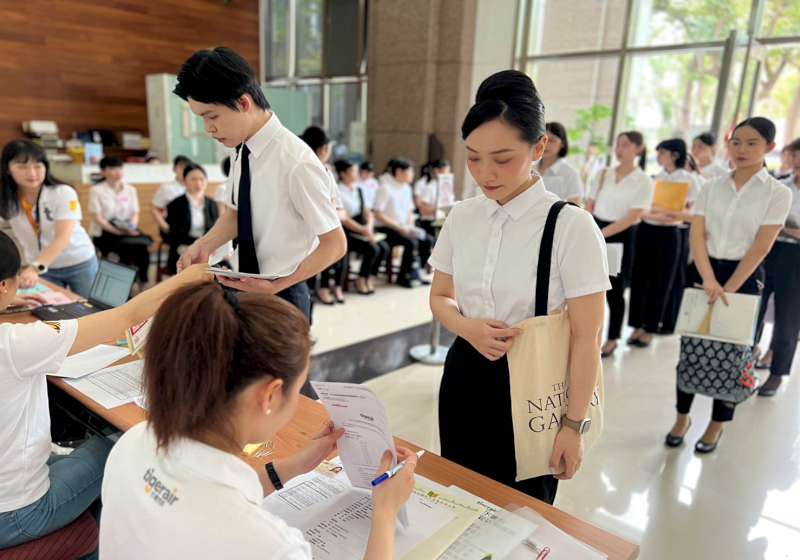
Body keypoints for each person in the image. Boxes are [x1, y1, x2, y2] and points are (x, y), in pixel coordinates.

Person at [99, 282, 418, 559]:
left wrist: (296, 464)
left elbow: (203, 497)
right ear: (270, 395)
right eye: (300, 388)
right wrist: (385, 512)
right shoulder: (267, 545)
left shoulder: (134, 441)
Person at [429, 70, 610, 504]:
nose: (485, 173)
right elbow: (439, 296)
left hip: (536, 384)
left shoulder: (572, 226)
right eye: (473, 157)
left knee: (523, 514)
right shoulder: (462, 216)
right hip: (466, 374)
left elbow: (588, 336)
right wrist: (468, 328)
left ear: (539, 147)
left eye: (503, 158)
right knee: (460, 498)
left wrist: (573, 426)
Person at [0, 230, 209, 553]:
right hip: (17, 514)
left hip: (10, 490)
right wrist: (189, 278)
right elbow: (126, 315)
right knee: (119, 445)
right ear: (4, 286)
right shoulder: (14, 343)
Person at [173, 47, 346, 320]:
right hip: (245, 282)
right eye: (202, 119)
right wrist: (204, 245)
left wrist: (276, 285)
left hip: (283, 293)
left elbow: (335, 244)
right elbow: (236, 213)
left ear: (243, 103)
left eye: (212, 116)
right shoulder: (241, 149)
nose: (208, 129)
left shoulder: (297, 162)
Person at [666, 117, 791, 453]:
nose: (742, 150)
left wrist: (730, 287)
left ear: (770, 148)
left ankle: (717, 424)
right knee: (692, 347)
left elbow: (762, 246)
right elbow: (696, 232)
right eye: (736, 142)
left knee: (733, 355)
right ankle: (682, 417)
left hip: (746, 277)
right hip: (705, 271)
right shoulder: (711, 186)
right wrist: (708, 278)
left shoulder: (778, 192)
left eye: (752, 143)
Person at [628, 138, 702, 347]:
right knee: (639, 279)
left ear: (675, 155)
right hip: (646, 230)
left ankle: (651, 328)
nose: (658, 157)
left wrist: (668, 212)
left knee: (662, 282)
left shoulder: (690, 179)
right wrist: (658, 213)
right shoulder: (653, 178)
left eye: (662, 152)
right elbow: (642, 207)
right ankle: (636, 324)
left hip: (670, 234)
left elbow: (695, 213)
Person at [0, 139, 98, 297]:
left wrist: (34, 268)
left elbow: (62, 238)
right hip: (42, 268)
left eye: (38, 165)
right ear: (7, 169)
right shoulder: (7, 201)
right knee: (52, 313)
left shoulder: (63, 193)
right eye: (22, 166)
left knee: (95, 309)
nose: (32, 173)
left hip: (78, 262)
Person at [586, 131, 654, 358]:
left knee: (614, 290)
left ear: (638, 148)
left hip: (621, 236)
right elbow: (591, 204)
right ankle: (588, 335)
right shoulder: (604, 173)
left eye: (625, 145)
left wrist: (602, 234)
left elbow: (633, 216)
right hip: (596, 229)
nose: (619, 149)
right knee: (588, 286)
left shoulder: (643, 180)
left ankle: (613, 338)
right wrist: (590, 230)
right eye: (617, 144)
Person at [752, 137, 800, 397]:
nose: (792, 160)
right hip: (769, 251)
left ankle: (777, 374)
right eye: (791, 156)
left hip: (796, 259)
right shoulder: (781, 187)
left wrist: (787, 230)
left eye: (796, 155)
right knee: (754, 311)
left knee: (787, 319)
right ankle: (747, 362)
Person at [89, 157, 153, 285]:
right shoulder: (96, 190)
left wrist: (131, 227)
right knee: (125, 249)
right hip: (105, 231)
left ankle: (143, 282)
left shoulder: (130, 190)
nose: (117, 172)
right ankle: (125, 286)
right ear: (103, 172)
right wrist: (115, 231)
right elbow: (97, 218)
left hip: (127, 228)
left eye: (119, 168)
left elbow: (135, 212)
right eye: (112, 169)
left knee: (142, 248)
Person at [335, 159, 389, 295]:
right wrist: (363, 230)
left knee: (384, 248)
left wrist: (369, 227)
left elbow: (367, 211)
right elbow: (344, 218)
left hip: (363, 228)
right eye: (353, 170)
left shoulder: (358, 189)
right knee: (373, 249)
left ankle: (368, 276)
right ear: (343, 174)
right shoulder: (338, 191)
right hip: (346, 232)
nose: (357, 173)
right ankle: (360, 279)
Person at [374, 159, 430, 288]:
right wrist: (399, 228)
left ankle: (417, 273)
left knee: (427, 240)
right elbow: (378, 213)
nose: (412, 175)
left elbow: (410, 210)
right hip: (386, 228)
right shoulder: (385, 188)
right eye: (410, 172)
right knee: (411, 242)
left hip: (404, 227)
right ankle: (404, 277)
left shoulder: (406, 188)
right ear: (399, 172)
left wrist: (410, 225)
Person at [165, 163, 220, 273]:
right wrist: (199, 244)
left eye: (202, 179)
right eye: (193, 179)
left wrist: (210, 245)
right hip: (184, 246)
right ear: (185, 182)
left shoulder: (212, 204)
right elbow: (175, 235)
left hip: (207, 246)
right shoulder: (175, 204)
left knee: (224, 266)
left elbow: (214, 230)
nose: (198, 183)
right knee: (196, 269)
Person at [535, 122, 584, 204]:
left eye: (551, 140)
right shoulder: (530, 168)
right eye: (542, 140)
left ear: (563, 144)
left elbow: (575, 205)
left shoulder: (570, 173)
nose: (545, 145)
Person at [151, 155, 192, 238]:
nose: (184, 170)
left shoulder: (195, 186)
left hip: (194, 226)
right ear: (174, 169)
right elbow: (155, 209)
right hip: (174, 227)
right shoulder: (166, 187)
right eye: (181, 167)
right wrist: (164, 225)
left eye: (186, 167)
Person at [414, 159, 452, 243]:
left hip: (442, 221)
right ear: (437, 171)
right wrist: (441, 208)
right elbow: (423, 210)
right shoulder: (430, 187)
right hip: (430, 222)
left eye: (448, 172)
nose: (447, 175)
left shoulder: (447, 188)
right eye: (444, 172)